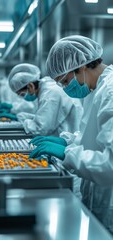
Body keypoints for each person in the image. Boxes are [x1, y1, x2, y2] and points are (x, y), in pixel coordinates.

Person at [29, 35, 113, 234]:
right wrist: (67, 141)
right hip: (98, 200)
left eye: (65, 81)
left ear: (81, 66)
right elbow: (95, 139)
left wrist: (68, 154)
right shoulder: (95, 89)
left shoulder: (110, 92)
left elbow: (110, 164)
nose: (66, 89)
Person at [4, 63, 82, 135]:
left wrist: (23, 121)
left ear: (31, 86)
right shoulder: (46, 88)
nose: (24, 98)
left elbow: (40, 129)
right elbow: (44, 118)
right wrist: (23, 117)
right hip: (65, 135)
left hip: (70, 142)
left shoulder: (49, 94)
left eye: (22, 94)